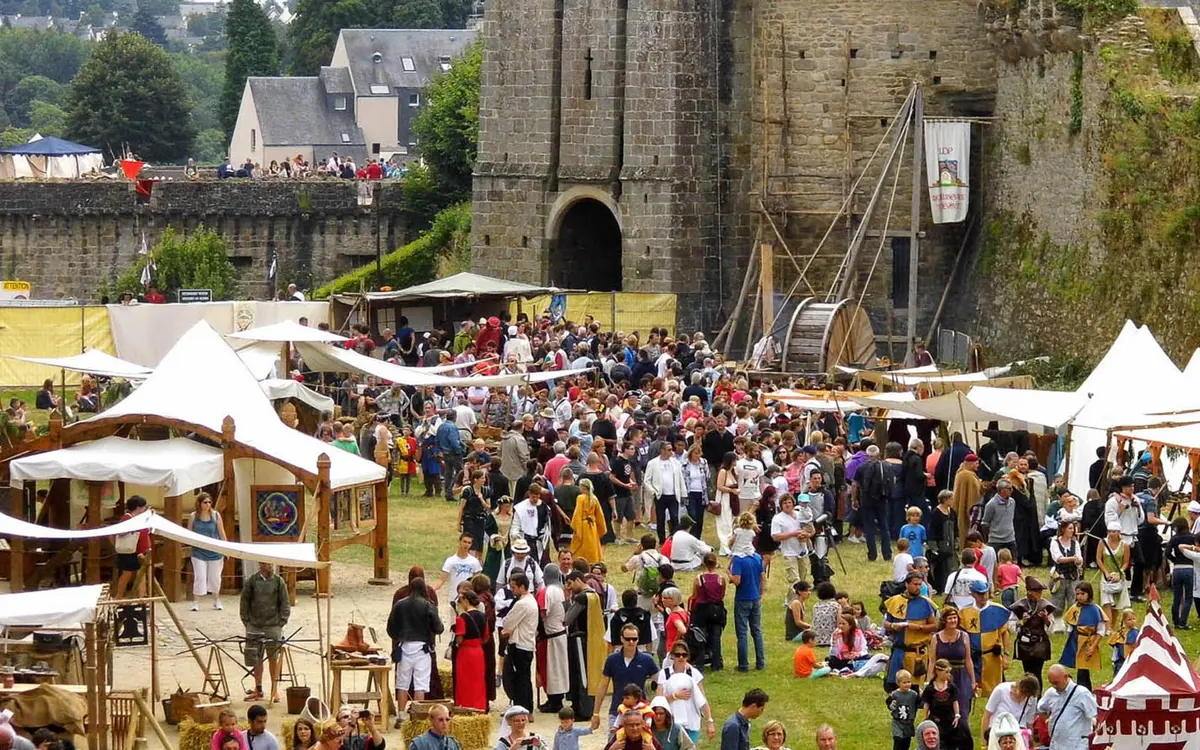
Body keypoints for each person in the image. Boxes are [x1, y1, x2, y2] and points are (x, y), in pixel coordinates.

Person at [386, 576, 444, 713]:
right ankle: (417, 715)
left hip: (404, 646)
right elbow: (439, 628)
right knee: (420, 684)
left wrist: (399, 637)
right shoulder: (428, 605)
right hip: (422, 649)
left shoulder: (400, 604)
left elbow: (390, 628)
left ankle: (401, 715)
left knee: (402, 684)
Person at [590, 623, 659, 731]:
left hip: (640, 711)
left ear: (638, 639)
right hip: (617, 710)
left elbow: (660, 683)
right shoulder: (612, 660)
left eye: (634, 639)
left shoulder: (647, 660)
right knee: (615, 739)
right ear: (622, 639)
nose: (631, 642)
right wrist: (596, 713)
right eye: (628, 639)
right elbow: (603, 686)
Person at [241, 561, 290, 702]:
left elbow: (285, 603)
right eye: (266, 563)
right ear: (261, 564)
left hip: (273, 625)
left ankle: (274, 690)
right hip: (254, 625)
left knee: (273, 658)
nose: (270, 566)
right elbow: (244, 602)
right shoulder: (252, 581)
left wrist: (281, 622)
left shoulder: (278, 581)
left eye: (271, 563)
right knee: (256, 658)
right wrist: (247, 622)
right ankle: (258, 688)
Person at [883, 572, 939, 693]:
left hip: (916, 653)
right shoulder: (895, 601)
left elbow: (935, 626)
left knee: (913, 690)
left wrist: (918, 627)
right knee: (892, 687)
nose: (918, 587)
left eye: (919, 584)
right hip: (898, 651)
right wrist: (892, 626)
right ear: (907, 584)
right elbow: (886, 623)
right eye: (915, 584)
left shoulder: (926, 603)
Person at [563, 571, 606, 720]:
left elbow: (567, 619)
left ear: (577, 580)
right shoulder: (596, 594)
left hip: (579, 639)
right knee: (587, 673)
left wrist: (566, 597)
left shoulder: (582, 597)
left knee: (581, 675)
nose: (569, 587)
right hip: (590, 639)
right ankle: (583, 707)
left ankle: (583, 709)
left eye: (570, 583)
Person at [959, 579, 1011, 698]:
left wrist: (1006, 655)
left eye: (985, 593)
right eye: (979, 594)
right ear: (973, 594)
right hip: (973, 657)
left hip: (992, 657)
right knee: (969, 690)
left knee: (997, 692)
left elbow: (1005, 634)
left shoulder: (998, 610)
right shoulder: (964, 612)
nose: (983, 596)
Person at [656, 642, 715, 742]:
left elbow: (703, 700)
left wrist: (709, 721)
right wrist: (674, 696)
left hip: (691, 722)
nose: (681, 657)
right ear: (672, 656)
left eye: (684, 655)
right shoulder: (664, 674)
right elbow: (658, 701)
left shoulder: (694, 673)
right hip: (671, 724)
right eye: (677, 654)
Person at [183, 492, 227, 611]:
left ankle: (216, 600)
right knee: (200, 576)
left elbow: (221, 532)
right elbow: (189, 533)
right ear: (199, 503)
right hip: (199, 552)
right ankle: (196, 601)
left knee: (215, 577)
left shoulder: (215, 515)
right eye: (205, 502)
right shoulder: (193, 516)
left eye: (209, 502)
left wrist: (226, 548)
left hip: (215, 551)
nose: (207, 504)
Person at [1036, 664, 1097, 750]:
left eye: (1056, 683)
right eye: (1051, 683)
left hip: (1077, 746)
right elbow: (1040, 708)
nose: (1054, 686)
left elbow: (1096, 716)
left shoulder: (1082, 694)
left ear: (1066, 677)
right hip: (1056, 745)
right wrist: (1048, 720)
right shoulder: (1051, 693)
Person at [503, 572, 539, 713]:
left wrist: (507, 629)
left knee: (519, 680)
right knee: (524, 679)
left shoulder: (522, 604)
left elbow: (508, 622)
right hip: (526, 644)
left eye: (514, 587)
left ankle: (521, 709)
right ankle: (526, 709)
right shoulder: (531, 600)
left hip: (520, 646)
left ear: (522, 587)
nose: (512, 590)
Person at [1010, 576, 1054, 689]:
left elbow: (1051, 626)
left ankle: (1037, 696)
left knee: (1037, 673)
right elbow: (1011, 625)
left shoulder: (1045, 605)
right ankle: (1028, 695)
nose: (1039, 594)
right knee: (1028, 673)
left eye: (1040, 591)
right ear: (1029, 591)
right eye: (1037, 591)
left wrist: (1045, 619)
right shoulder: (1019, 606)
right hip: (1025, 644)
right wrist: (1022, 621)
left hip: (1040, 644)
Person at [1060, 582, 1103, 690]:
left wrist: (1093, 646)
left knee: (1083, 669)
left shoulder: (1095, 609)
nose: (1079, 596)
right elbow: (1070, 626)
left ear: (1089, 594)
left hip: (1088, 642)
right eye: (1077, 594)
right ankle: (1083, 690)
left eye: (1082, 594)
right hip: (1076, 640)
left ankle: (1084, 690)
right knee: (1080, 668)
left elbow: (1100, 630)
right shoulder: (1075, 608)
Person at [730, 543, 766, 672]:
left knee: (742, 633)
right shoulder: (757, 557)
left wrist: (729, 575)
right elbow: (763, 577)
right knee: (757, 631)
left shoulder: (738, 560)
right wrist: (760, 593)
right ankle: (761, 662)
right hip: (755, 597)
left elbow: (737, 580)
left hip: (742, 598)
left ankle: (743, 664)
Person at [688, 552, 727, 672]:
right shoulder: (721, 579)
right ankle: (716, 663)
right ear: (716, 563)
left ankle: (700, 663)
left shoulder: (699, 579)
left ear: (704, 563)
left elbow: (694, 595)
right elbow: (722, 595)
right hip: (716, 610)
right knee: (716, 638)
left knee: (700, 637)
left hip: (701, 611)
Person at [452, 589, 489, 711]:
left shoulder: (462, 617)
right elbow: (486, 637)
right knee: (478, 682)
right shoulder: (483, 616)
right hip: (479, 651)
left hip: (466, 652)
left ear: (466, 601)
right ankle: (479, 707)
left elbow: (459, 639)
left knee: (464, 681)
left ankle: (465, 706)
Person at [540, 564, 570, 713]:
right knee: (559, 668)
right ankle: (555, 699)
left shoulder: (548, 591)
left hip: (551, 634)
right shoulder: (562, 590)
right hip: (561, 633)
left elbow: (543, 612)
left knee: (553, 669)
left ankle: (554, 701)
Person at [646, 442, 686, 544]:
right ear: (662, 450)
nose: (671, 452)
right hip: (660, 495)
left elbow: (680, 478)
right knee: (660, 519)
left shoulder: (675, 462)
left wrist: (683, 494)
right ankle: (662, 541)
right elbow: (647, 480)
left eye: (671, 449)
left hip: (673, 495)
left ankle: (674, 539)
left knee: (675, 517)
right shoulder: (653, 463)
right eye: (668, 450)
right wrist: (653, 491)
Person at [114, 495, 152, 599]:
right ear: (138, 507)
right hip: (129, 551)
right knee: (127, 574)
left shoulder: (142, 518)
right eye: (144, 507)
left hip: (140, 551)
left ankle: (142, 597)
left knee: (141, 574)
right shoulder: (127, 518)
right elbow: (120, 532)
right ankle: (119, 596)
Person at [1048, 521, 1084, 632]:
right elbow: (1058, 558)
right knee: (1058, 599)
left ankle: (1071, 623)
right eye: (1070, 528)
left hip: (1073, 576)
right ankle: (1057, 622)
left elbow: (1079, 557)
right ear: (1063, 529)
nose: (1072, 531)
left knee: (1073, 598)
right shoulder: (1055, 542)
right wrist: (1073, 558)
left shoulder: (1075, 543)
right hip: (1060, 576)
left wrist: (1079, 561)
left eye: (1073, 528)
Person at [981, 675, 1040, 741]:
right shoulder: (1000, 690)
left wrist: (1030, 742)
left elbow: (1029, 723)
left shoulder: (1032, 698)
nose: (1023, 698)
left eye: (1026, 696)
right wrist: (985, 741)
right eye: (1021, 694)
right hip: (998, 732)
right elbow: (987, 716)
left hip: (1019, 735)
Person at [1096, 528, 1130, 630]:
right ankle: (1108, 628)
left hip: (1119, 577)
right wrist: (1106, 572)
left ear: (1118, 532)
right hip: (1106, 577)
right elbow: (1098, 559)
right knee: (1106, 603)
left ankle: (1112, 625)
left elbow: (1126, 562)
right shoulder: (1102, 542)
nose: (1111, 534)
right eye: (1109, 531)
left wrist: (1119, 572)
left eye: (1114, 531)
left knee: (1116, 604)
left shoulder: (1125, 545)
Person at [436, 534, 485, 606]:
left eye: (469, 543)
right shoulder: (450, 561)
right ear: (459, 542)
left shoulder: (474, 561)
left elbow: (477, 581)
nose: (466, 544)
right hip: (454, 597)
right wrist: (431, 589)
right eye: (464, 541)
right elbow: (441, 580)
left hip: (469, 599)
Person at [570, 478, 608, 564]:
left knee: (582, 545)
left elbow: (577, 513)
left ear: (583, 487)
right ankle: (593, 560)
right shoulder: (594, 498)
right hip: (592, 526)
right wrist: (600, 528)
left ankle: (581, 561)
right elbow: (600, 515)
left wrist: (576, 528)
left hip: (583, 526)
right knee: (592, 544)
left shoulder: (580, 498)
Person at [887, 669, 919, 750]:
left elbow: (919, 704)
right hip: (897, 721)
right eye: (904, 682)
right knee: (898, 740)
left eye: (909, 682)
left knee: (906, 742)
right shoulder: (895, 694)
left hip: (909, 722)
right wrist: (891, 705)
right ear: (898, 683)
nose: (907, 684)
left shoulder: (913, 694)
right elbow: (890, 705)